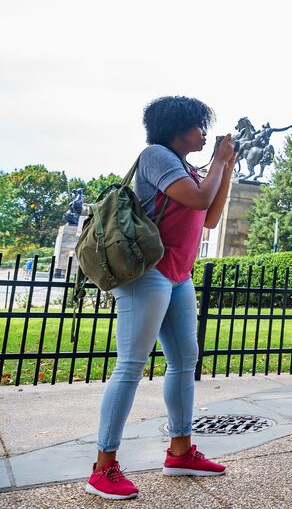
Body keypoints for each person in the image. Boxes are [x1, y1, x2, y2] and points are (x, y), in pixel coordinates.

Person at [86, 96, 237, 500]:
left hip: (179, 276)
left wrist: (228, 168)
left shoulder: (187, 168)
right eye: (198, 126)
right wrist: (219, 163)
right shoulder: (156, 156)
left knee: (185, 361)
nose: (204, 134)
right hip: (148, 276)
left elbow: (210, 217)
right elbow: (200, 199)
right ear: (177, 128)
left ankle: (181, 451)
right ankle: (103, 466)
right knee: (132, 365)